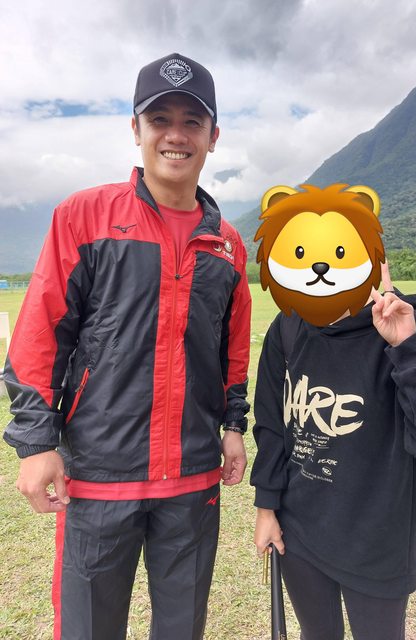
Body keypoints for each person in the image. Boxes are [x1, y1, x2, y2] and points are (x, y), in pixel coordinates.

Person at [3, 52, 251, 640]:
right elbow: (39, 334)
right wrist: (36, 442)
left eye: (192, 122)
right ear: (135, 129)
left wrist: (233, 425)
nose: (175, 135)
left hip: (192, 479)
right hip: (98, 476)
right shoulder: (84, 217)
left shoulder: (227, 245)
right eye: (159, 119)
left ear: (213, 137)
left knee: (182, 628)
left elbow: (233, 350)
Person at [251, 264, 416, 640]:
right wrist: (266, 507)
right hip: (299, 531)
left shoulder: (414, 329)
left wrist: (407, 348)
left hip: (379, 539)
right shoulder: (289, 325)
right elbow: (272, 425)